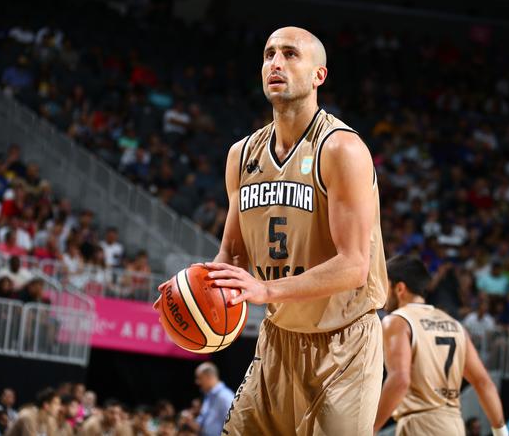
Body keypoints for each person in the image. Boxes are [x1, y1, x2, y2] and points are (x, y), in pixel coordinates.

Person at [157, 26, 387, 435]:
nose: (275, 63)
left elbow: (353, 265)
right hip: (278, 339)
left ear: (319, 75)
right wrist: (192, 291)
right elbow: (231, 254)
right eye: (268, 55)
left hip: (344, 345)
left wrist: (266, 292)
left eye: (290, 54)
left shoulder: (341, 149)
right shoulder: (241, 155)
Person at [373, 255, 507, 436]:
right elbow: (484, 383)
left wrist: (369, 429)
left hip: (420, 424)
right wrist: (501, 432)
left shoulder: (397, 321)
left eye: (385, 286)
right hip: (454, 425)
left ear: (399, 288)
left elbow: (400, 381)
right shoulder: (455, 325)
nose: (382, 294)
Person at [194, 363, 234, 436]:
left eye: (199, 378)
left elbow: (233, 425)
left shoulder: (226, 397)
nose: (197, 382)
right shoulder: (208, 396)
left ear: (209, 377)